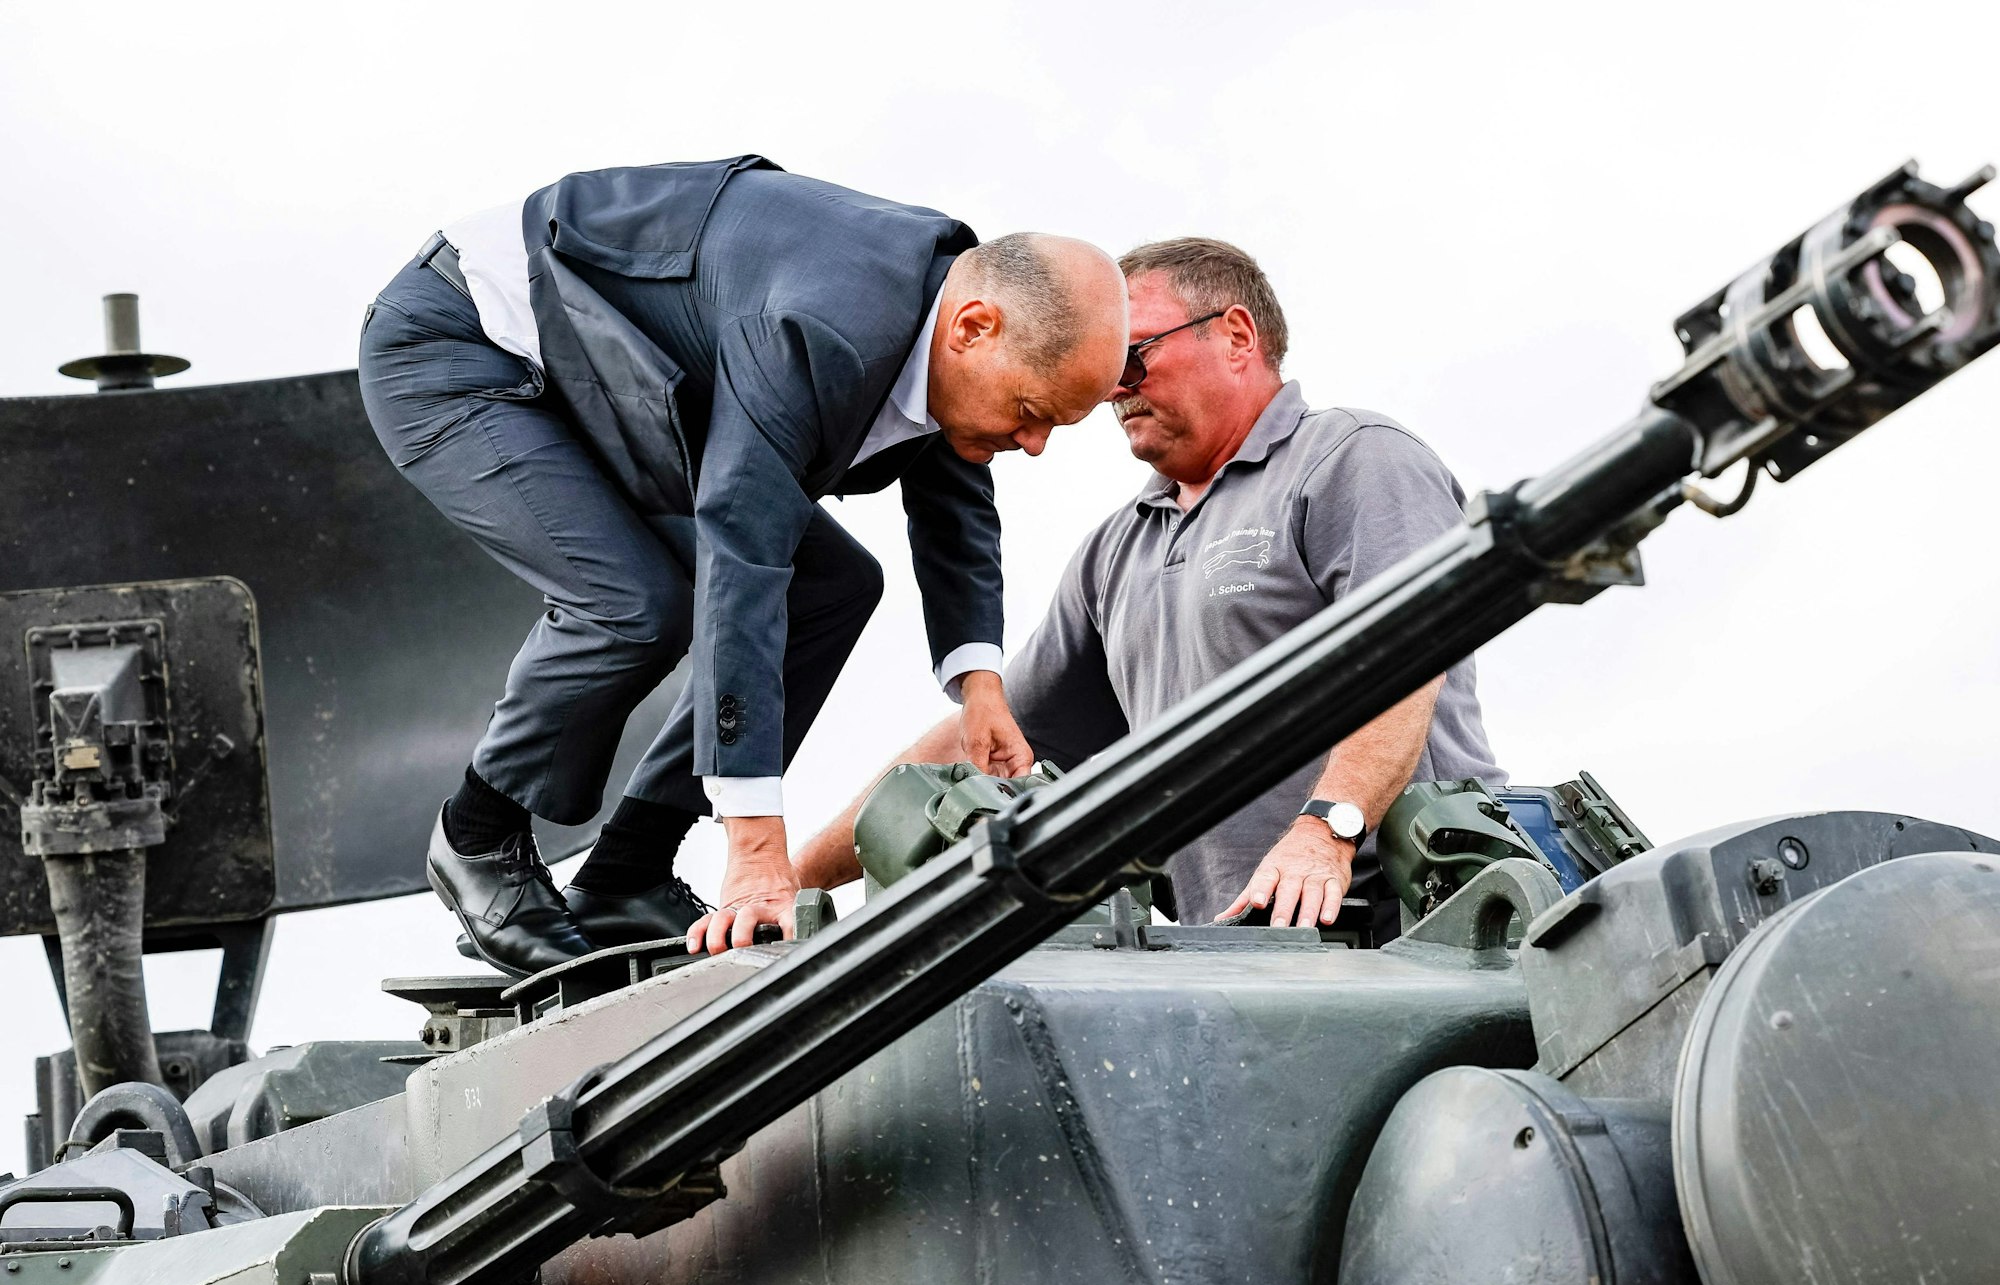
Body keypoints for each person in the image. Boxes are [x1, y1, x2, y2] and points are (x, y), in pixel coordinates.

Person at [359, 156, 1127, 974]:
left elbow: (955, 502)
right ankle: (476, 836)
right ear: (973, 328)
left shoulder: (949, 311)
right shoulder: (821, 331)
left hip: (612, 372)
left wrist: (979, 691)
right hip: (464, 344)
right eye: (1032, 414)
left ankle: (628, 873)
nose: (1036, 446)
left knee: (835, 586)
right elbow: (745, 556)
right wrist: (758, 848)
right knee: (632, 607)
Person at [791, 237, 1504, 938]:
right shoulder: (1115, 552)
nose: (1116, 388)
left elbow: (1407, 655)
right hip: (1237, 956)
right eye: (1104, 373)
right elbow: (984, 740)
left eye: (1133, 356)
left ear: (1235, 335)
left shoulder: (1351, 457)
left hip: (1420, 926)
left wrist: (1329, 831)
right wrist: (788, 883)